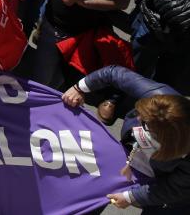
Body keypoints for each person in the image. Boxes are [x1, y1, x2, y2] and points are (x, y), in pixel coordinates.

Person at [62, 66, 190, 212]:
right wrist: (79, 88)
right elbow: (113, 73)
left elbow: (172, 189)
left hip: (164, 184)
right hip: (127, 156)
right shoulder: (159, 98)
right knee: (92, 194)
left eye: (145, 123)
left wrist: (131, 197)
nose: (137, 117)